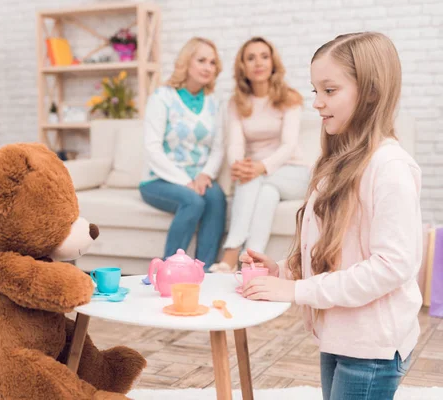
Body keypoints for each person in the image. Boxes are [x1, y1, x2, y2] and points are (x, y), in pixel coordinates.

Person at [240, 32, 421, 400]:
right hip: (340, 331)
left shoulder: (389, 166)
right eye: (314, 91)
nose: (317, 103)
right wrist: (284, 270)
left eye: (330, 90)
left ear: (370, 91)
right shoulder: (335, 162)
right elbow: (335, 249)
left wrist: (297, 290)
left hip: (372, 347)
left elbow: (392, 265)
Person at [210, 37, 308, 273]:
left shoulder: (290, 98)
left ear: (273, 62)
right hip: (260, 177)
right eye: (250, 58)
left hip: (294, 172)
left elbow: (288, 145)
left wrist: (258, 168)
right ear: (242, 66)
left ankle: (231, 255)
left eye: (264, 56)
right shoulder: (236, 103)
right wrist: (239, 165)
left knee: (256, 180)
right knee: (266, 193)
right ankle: (252, 262)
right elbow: (235, 145)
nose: (258, 62)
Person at [139, 37, 226, 271]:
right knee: (193, 201)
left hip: (197, 178)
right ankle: (169, 270)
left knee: (216, 198)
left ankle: (203, 272)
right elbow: (152, 148)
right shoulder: (162, 97)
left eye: (212, 62)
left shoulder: (214, 103)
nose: (208, 67)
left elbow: (218, 147)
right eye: (201, 60)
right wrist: (185, 181)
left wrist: (205, 174)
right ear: (186, 62)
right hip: (160, 179)